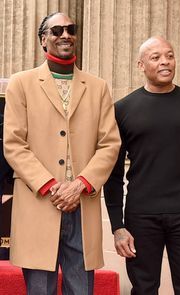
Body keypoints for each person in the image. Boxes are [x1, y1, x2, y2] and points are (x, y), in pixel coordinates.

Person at [3, 12, 120, 295]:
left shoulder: (98, 87)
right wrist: (53, 186)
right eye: (56, 31)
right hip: (40, 201)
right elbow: (14, 143)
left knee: (81, 289)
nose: (65, 35)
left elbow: (110, 144)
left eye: (70, 29)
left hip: (82, 204)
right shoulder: (21, 83)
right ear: (44, 40)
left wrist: (79, 185)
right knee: (40, 290)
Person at [104, 36, 180, 295]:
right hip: (140, 216)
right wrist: (118, 226)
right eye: (156, 57)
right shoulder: (123, 109)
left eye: (169, 56)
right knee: (144, 288)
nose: (165, 62)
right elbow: (113, 174)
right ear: (141, 65)